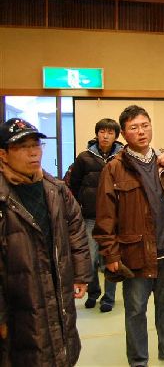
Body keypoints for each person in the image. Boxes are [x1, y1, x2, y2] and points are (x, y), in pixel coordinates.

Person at [94, 105, 164, 367]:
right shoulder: (114, 168)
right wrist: (110, 254)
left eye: (145, 125)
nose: (141, 132)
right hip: (135, 254)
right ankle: (138, 360)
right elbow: (105, 217)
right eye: (134, 127)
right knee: (136, 311)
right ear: (124, 134)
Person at [0, 118, 92, 366]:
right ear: (3, 154)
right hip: (19, 300)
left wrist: (81, 274)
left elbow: (76, 230)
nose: (33, 153)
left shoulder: (55, 189)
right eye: (22, 147)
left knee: (61, 346)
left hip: (58, 291)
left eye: (36, 145)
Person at [68, 118, 124, 312]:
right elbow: (74, 184)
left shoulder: (122, 157)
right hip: (90, 216)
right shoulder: (84, 157)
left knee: (111, 258)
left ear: (116, 136)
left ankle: (109, 297)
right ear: (97, 133)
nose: (105, 136)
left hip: (114, 217)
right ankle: (93, 292)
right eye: (102, 131)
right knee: (90, 259)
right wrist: (80, 205)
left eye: (110, 132)